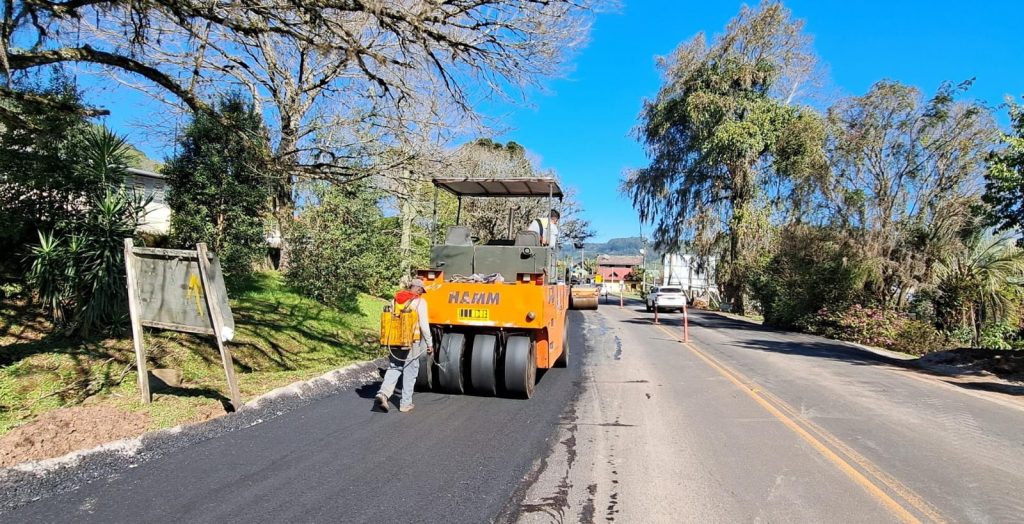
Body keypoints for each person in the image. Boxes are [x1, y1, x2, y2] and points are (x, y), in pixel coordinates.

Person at [375, 278, 433, 413]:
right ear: (418, 289)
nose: (421, 293)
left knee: (394, 366)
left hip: (394, 340)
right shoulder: (420, 302)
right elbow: (424, 326)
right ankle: (405, 403)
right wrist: (429, 343)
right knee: (410, 370)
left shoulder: (395, 300)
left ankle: (383, 394)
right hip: (411, 342)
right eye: (421, 290)